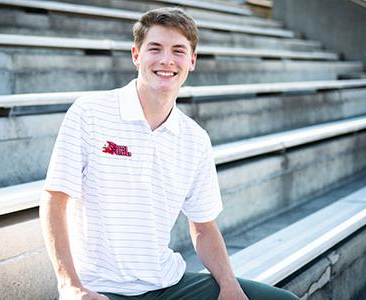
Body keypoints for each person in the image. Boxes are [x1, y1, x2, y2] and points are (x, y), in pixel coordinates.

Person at [40, 7, 299, 300]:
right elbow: (54, 200)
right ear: (136, 55)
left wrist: (229, 286)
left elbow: (203, 227)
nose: (166, 60)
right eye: (155, 48)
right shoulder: (89, 113)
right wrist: (70, 285)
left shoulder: (195, 139)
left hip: (168, 285)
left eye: (178, 50)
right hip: (100, 290)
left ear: (192, 60)